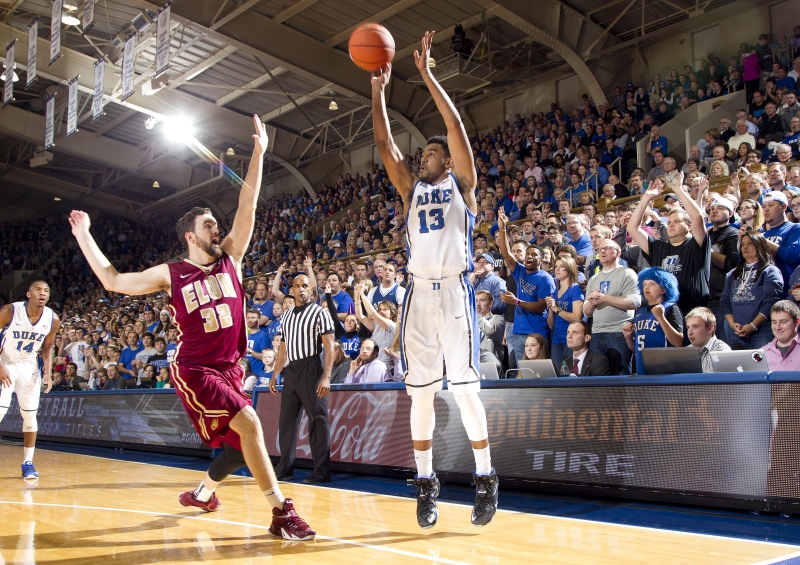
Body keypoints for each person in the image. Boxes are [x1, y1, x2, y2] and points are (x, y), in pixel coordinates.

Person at [68, 116, 316, 540]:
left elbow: (249, 203)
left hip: (231, 368)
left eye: (216, 225)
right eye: (208, 226)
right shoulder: (172, 272)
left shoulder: (231, 259)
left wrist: (258, 153)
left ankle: (203, 493)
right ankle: (280, 512)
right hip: (195, 367)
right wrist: (86, 235)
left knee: (240, 449)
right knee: (251, 424)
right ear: (189, 236)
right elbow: (112, 281)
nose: (217, 229)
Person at [371, 31, 498, 530]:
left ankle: (485, 476)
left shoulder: (461, 185)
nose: (420, 156)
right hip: (417, 295)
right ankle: (426, 483)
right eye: (420, 153)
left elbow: (454, 123)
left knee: (465, 390)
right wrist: (378, 91)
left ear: (446, 160)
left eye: (429, 152)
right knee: (420, 395)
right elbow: (383, 144)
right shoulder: (410, 191)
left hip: (456, 292)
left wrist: (426, 76)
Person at [269, 273, 335, 484]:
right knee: (286, 421)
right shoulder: (286, 316)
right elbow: (284, 349)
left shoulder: (319, 312)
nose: (302, 289)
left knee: (318, 421)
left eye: (305, 285)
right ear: (293, 290)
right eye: (297, 286)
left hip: (311, 368)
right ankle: (285, 469)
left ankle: (321, 471)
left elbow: (330, 346)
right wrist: (275, 373)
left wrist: (326, 376)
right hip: (292, 371)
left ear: (311, 288)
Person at [628, 174, 710, 325]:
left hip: (693, 315)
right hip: (664, 315)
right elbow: (632, 229)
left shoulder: (696, 244)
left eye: (677, 221)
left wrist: (678, 190)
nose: (671, 225)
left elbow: (697, 217)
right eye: (669, 221)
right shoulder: (659, 247)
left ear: (689, 226)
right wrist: (645, 199)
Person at [0, 280, 59, 479]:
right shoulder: (10, 311)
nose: (43, 293)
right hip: (5, 362)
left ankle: (28, 462)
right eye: (38, 290)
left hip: (29, 366)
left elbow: (48, 347)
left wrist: (48, 373)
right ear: (28, 294)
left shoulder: (52, 319)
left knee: (30, 416)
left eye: (46, 291)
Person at [497, 210, 556, 364]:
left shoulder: (546, 278)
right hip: (518, 332)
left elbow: (540, 306)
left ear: (542, 259)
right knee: (521, 374)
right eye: (528, 253)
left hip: (537, 333)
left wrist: (516, 302)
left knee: (539, 374)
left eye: (534, 254)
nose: (530, 256)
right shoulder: (520, 272)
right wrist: (503, 228)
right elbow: (505, 254)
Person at [582, 239, 641, 375]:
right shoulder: (594, 279)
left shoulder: (626, 273)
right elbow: (587, 311)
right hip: (596, 333)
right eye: (600, 249)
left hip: (619, 332)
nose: (602, 251)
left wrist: (604, 298)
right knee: (598, 377)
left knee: (620, 376)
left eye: (607, 248)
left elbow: (634, 302)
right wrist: (593, 302)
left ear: (618, 253)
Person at [720, 231, 783, 350]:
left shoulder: (770, 271)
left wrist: (753, 325)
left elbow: (770, 302)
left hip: (762, 330)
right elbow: (725, 302)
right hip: (736, 332)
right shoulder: (732, 274)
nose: (745, 247)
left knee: (762, 367)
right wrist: (732, 325)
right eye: (742, 244)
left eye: (750, 243)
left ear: (760, 246)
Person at [622, 268, 684, 375]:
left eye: (652, 284)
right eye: (644, 284)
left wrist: (661, 318)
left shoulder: (670, 308)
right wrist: (628, 338)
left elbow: (678, 342)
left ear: (664, 289)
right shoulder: (639, 312)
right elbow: (637, 350)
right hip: (641, 369)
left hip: (663, 369)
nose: (647, 287)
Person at [545, 256, 584, 369]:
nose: (557, 269)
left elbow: (577, 317)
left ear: (570, 268)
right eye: (556, 266)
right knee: (557, 375)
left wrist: (557, 308)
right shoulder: (554, 292)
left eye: (562, 266)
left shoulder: (575, 289)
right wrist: (551, 309)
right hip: (556, 339)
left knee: (571, 374)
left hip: (572, 340)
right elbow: (551, 324)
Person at [354, 283, 399, 378]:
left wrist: (362, 295)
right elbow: (360, 317)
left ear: (392, 314)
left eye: (385, 309)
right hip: (373, 367)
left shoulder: (392, 326)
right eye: (379, 309)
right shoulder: (377, 326)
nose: (381, 311)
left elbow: (372, 314)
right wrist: (356, 296)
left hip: (386, 370)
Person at [762, 192, 800, 293]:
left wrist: (765, 243)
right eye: (763, 206)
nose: (766, 209)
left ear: (783, 206)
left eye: (771, 205)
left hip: (789, 291)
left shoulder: (795, 229)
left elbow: (794, 256)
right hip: (768, 293)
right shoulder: (764, 235)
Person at [685, 307, 731, 372]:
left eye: (695, 327)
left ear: (710, 328)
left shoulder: (722, 351)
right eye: (688, 327)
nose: (690, 332)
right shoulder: (686, 352)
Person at [475, 290, 505, 376]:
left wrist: (475, 314)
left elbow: (490, 331)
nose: (478, 304)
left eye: (482, 300)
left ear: (490, 303)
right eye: (476, 300)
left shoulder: (498, 319)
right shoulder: (470, 322)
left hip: (490, 366)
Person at [763, 300, 800, 370]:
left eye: (783, 322)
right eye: (774, 322)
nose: (777, 327)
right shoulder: (762, 353)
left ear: (797, 322)